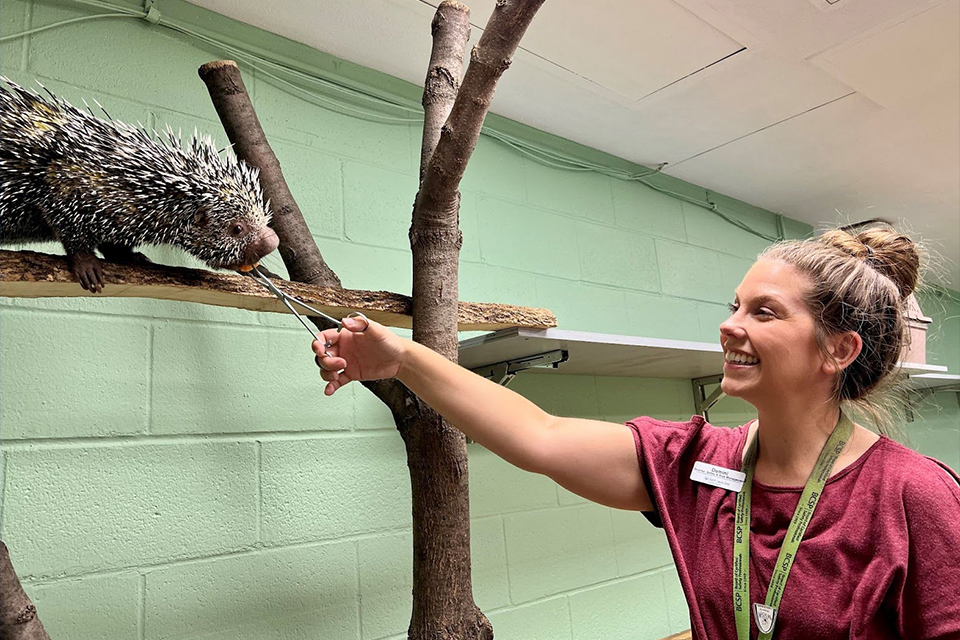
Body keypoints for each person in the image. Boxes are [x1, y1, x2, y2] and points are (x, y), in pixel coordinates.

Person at [311, 226, 960, 640]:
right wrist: (401, 358)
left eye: (764, 312)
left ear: (838, 351)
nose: (731, 326)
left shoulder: (913, 497)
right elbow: (539, 435)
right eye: (733, 305)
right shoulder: (701, 462)